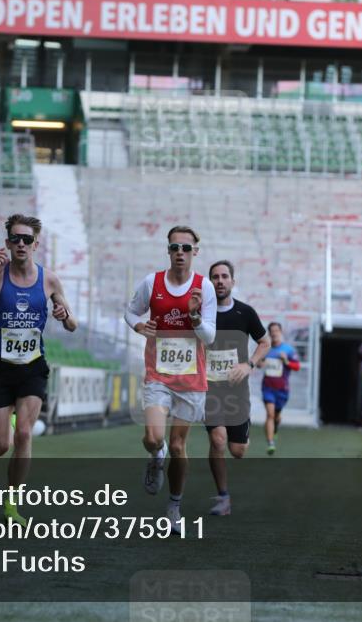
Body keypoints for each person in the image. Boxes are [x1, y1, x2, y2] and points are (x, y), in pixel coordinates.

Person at [0, 213, 76, 526]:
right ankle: (11, 417)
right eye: (16, 238)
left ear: (36, 244)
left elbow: (72, 324)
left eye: (27, 239)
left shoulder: (49, 279)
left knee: (25, 434)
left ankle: (12, 504)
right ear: (8, 243)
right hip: (0, 368)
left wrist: (64, 313)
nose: (22, 244)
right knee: (1, 447)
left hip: (32, 368)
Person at [125, 225, 216, 533]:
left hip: (191, 380)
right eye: (174, 247)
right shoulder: (152, 282)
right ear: (168, 251)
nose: (180, 253)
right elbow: (130, 312)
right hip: (158, 375)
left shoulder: (204, 288)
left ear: (195, 252)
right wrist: (139, 327)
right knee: (153, 437)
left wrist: (194, 317)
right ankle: (155, 455)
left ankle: (174, 506)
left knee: (179, 446)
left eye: (186, 248)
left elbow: (211, 336)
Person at [203, 260, 269, 516]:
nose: (219, 281)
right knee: (217, 439)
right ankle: (223, 497)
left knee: (237, 450)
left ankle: (243, 433)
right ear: (210, 282)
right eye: (215, 277)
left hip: (237, 391)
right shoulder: (203, 313)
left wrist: (249, 364)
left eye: (224, 276)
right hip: (210, 389)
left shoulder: (245, 313)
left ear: (233, 281)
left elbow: (264, 343)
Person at [259, 322, 300, 455]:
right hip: (268, 387)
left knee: (276, 416)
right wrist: (261, 363)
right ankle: (271, 443)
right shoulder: (266, 349)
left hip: (282, 389)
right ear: (269, 333)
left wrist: (286, 361)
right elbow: (258, 363)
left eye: (277, 330)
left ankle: (276, 426)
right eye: (272, 331)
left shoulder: (288, 350)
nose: (274, 333)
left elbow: (297, 367)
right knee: (270, 414)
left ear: (280, 332)